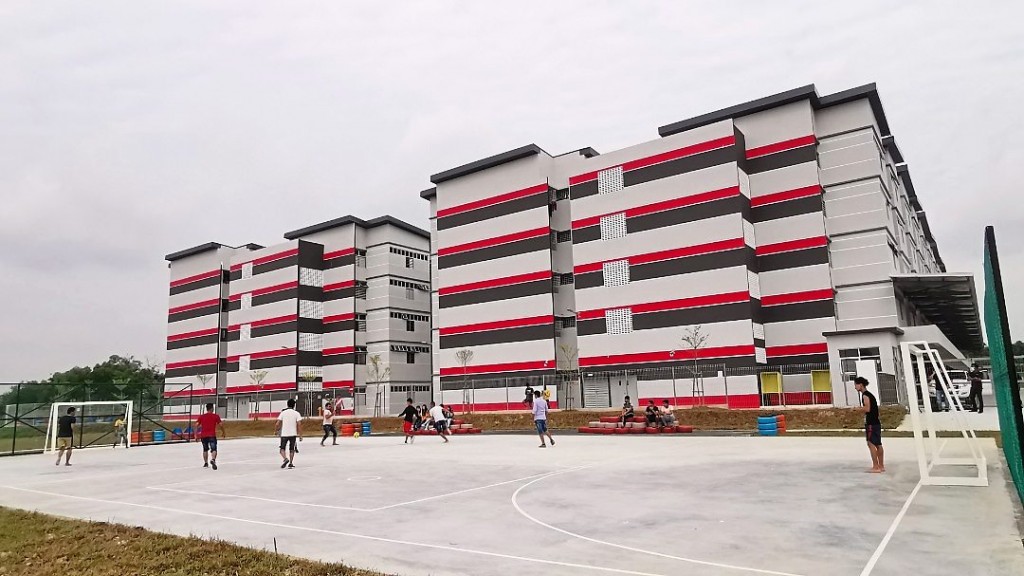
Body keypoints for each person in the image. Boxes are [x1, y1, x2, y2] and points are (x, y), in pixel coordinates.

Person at [853, 376, 884, 473]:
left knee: (871, 444)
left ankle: (875, 466)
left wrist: (856, 409)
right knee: (878, 444)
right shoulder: (870, 395)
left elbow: (867, 409)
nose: (855, 387)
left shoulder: (865, 395)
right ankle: (881, 465)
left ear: (861, 385)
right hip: (876, 422)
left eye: (856, 385)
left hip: (871, 423)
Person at [275, 399, 303, 469]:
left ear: (287, 404)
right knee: (292, 449)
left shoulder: (283, 413)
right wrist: (300, 435)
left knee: (282, 449)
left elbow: (277, 423)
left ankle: (285, 459)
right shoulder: (296, 413)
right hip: (293, 434)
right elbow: (299, 424)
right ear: (294, 405)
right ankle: (290, 463)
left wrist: (276, 431)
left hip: (284, 433)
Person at [196, 403, 225, 470]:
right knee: (214, 449)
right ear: (212, 408)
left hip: (203, 435)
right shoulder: (216, 416)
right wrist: (223, 432)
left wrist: (196, 435)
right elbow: (221, 425)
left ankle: (206, 463)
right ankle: (213, 459)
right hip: (212, 435)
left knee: (205, 449)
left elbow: (196, 425)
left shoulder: (202, 416)